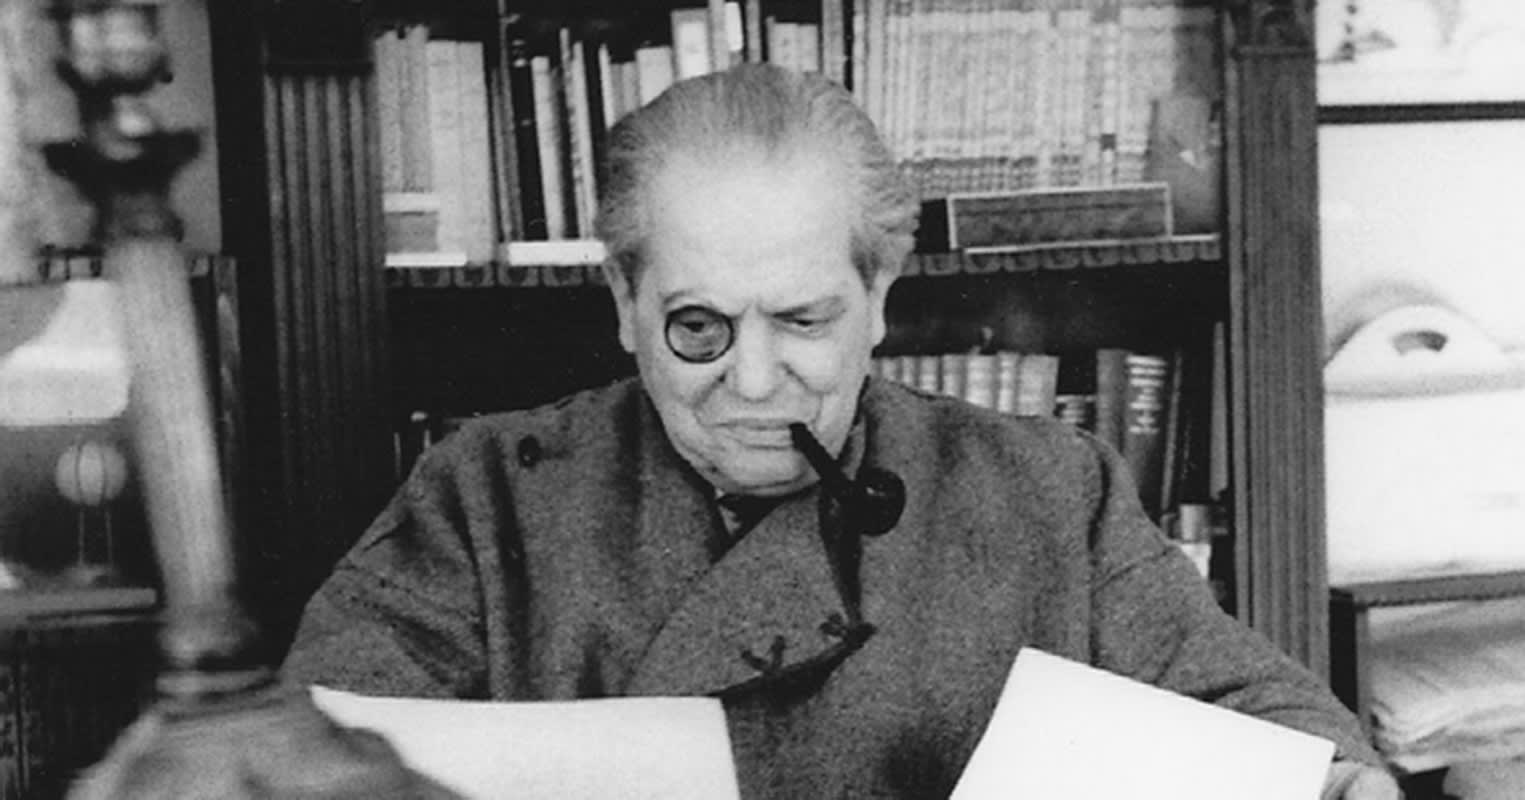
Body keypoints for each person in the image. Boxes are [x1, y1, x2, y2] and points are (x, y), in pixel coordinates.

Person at [284, 63, 1397, 798]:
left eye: (803, 321)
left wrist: (1339, 784)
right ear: (623, 301)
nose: (750, 378)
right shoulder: (483, 498)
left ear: (878, 298)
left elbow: (1277, 729)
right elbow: (296, 759)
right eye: (697, 326)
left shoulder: (1048, 494)